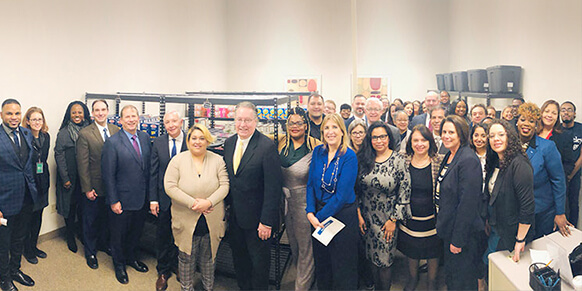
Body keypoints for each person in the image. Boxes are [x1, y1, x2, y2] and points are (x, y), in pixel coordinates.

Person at [223, 101, 283, 290]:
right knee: (240, 262)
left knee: (259, 266)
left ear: (256, 121)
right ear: (234, 120)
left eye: (248, 120)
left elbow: (273, 188)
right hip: (236, 219)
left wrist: (266, 222)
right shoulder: (229, 143)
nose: (243, 124)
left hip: (258, 221)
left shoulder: (266, 146)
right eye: (239, 119)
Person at [164, 123, 229, 291]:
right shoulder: (177, 160)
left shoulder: (217, 160)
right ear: (188, 140)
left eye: (202, 138)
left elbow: (224, 186)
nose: (197, 142)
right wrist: (193, 203)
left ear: (208, 141)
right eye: (194, 138)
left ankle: (208, 287)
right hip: (186, 218)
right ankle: (186, 288)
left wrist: (208, 202)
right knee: (186, 258)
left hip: (211, 218)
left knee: (209, 258)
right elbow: (169, 186)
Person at [356, 121, 411, 290]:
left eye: (383, 136)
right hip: (366, 218)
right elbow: (356, 188)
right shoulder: (363, 158)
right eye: (375, 137)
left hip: (387, 220)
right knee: (371, 258)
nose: (379, 141)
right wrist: (358, 215)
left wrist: (393, 220)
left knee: (385, 262)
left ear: (389, 138)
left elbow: (405, 191)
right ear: (369, 139)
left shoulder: (398, 160)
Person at [306, 113, 359, 290]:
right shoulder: (318, 152)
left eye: (334, 127)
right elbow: (310, 184)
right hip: (318, 215)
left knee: (343, 267)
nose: (330, 132)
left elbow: (341, 197)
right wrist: (310, 212)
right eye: (326, 128)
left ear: (342, 131)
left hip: (342, 216)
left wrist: (317, 218)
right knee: (323, 264)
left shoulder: (349, 156)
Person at [102, 105, 151, 284]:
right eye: (127, 117)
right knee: (118, 234)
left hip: (141, 198)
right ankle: (119, 265)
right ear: (120, 121)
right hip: (121, 199)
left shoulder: (145, 138)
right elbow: (108, 175)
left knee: (136, 232)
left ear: (139, 118)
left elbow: (147, 169)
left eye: (134, 116)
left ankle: (131, 258)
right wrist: (113, 200)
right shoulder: (113, 142)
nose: (131, 119)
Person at [436, 115, 484, 290]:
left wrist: (458, 240)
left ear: (461, 135)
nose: (446, 136)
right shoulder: (450, 155)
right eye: (444, 132)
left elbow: (467, 205)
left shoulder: (468, 160)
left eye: (451, 132)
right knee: (452, 277)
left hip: (463, 235)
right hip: (449, 227)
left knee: (462, 281)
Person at [276, 107, 321, 291]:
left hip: (305, 204)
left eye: (298, 123)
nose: (295, 127)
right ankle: (307, 278)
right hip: (286, 203)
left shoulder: (315, 145)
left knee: (306, 247)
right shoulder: (280, 142)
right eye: (291, 123)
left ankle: (301, 287)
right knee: (293, 244)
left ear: (305, 125)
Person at [399, 124, 444, 291]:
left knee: (433, 250)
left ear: (430, 142)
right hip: (410, 217)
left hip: (432, 217)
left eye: (423, 140)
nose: (419, 144)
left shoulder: (439, 160)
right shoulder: (403, 159)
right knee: (412, 249)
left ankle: (432, 281)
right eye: (415, 140)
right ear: (410, 142)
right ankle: (412, 278)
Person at [76, 99, 120, 270]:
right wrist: (87, 188)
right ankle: (90, 252)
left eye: (103, 109)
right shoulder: (85, 133)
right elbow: (82, 164)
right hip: (94, 186)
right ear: (92, 113)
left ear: (108, 111)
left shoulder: (116, 130)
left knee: (107, 219)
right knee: (91, 220)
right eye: (96, 110)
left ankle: (104, 244)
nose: (100, 113)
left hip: (112, 187)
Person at [516, 102, 570, 239]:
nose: (526, 124)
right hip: (516, 210)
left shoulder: (547, 147)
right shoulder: (510, 146)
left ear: (536, 124)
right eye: (522, 120)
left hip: (541, 211)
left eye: (531, 121)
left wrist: (560, 212)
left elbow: (558, 180)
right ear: (517, 122)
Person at [0, 99, 38, 290]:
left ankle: (15, 269)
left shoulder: (25, 133)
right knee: (3, 243)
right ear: (1, 115)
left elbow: (27, 166)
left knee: (19, 238)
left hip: (26, 198)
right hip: (4, 202)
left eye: (17, 113)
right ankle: (4, 278)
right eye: (9, 113)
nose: (14, 117)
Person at [484, 119, 535, 263]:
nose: (496, 139)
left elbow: (527, 206)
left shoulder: (519, 164)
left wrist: (520, 240)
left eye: (501, 134)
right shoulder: (495, 161)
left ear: (509, 137)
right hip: (496, 227)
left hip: (511, 233)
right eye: (492, 136)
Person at [149, 111, 188, 290]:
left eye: (174, 121)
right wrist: (153, 199)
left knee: (182, 236)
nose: (171, 125)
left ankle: (180, 267)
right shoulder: (158, 142)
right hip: (164, 198)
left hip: (186, 200)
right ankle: (163, 271)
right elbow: (153, 172)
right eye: (167, 122)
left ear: (181, 122)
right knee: (163, 236)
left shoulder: (191, 141)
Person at [54, 101, 91, 253]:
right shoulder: (63, 133)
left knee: (84, 208)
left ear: (85, 114)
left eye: (80, 112)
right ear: (69, 114)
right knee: (70, 208)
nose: (77, 115)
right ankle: (70, 235)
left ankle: (82, 233)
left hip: (86, 178)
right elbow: (59, 155)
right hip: (70, 178)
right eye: (74, 112)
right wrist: (65, 178)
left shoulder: (90, 130)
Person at [22, 107, 50, 265]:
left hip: (42, 181)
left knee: (38, 216)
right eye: (33, 119)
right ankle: (27, 249)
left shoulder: (46, 137)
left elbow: (43, 160)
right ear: (27, 121)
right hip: (29, 184)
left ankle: (33, 246)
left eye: (39, 119)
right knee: (28, 218)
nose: (37, 122)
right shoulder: (24, 138)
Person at [558, 101, 582, 227]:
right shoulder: (557, 130)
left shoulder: (580, 128)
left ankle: (574, 234)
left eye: (569, 110)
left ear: (574, 113)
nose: (566, 112)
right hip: (558, 175)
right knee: (560, 204)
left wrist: (570, 175)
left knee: (573, 204)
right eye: (563, 110)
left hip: (575, 175)